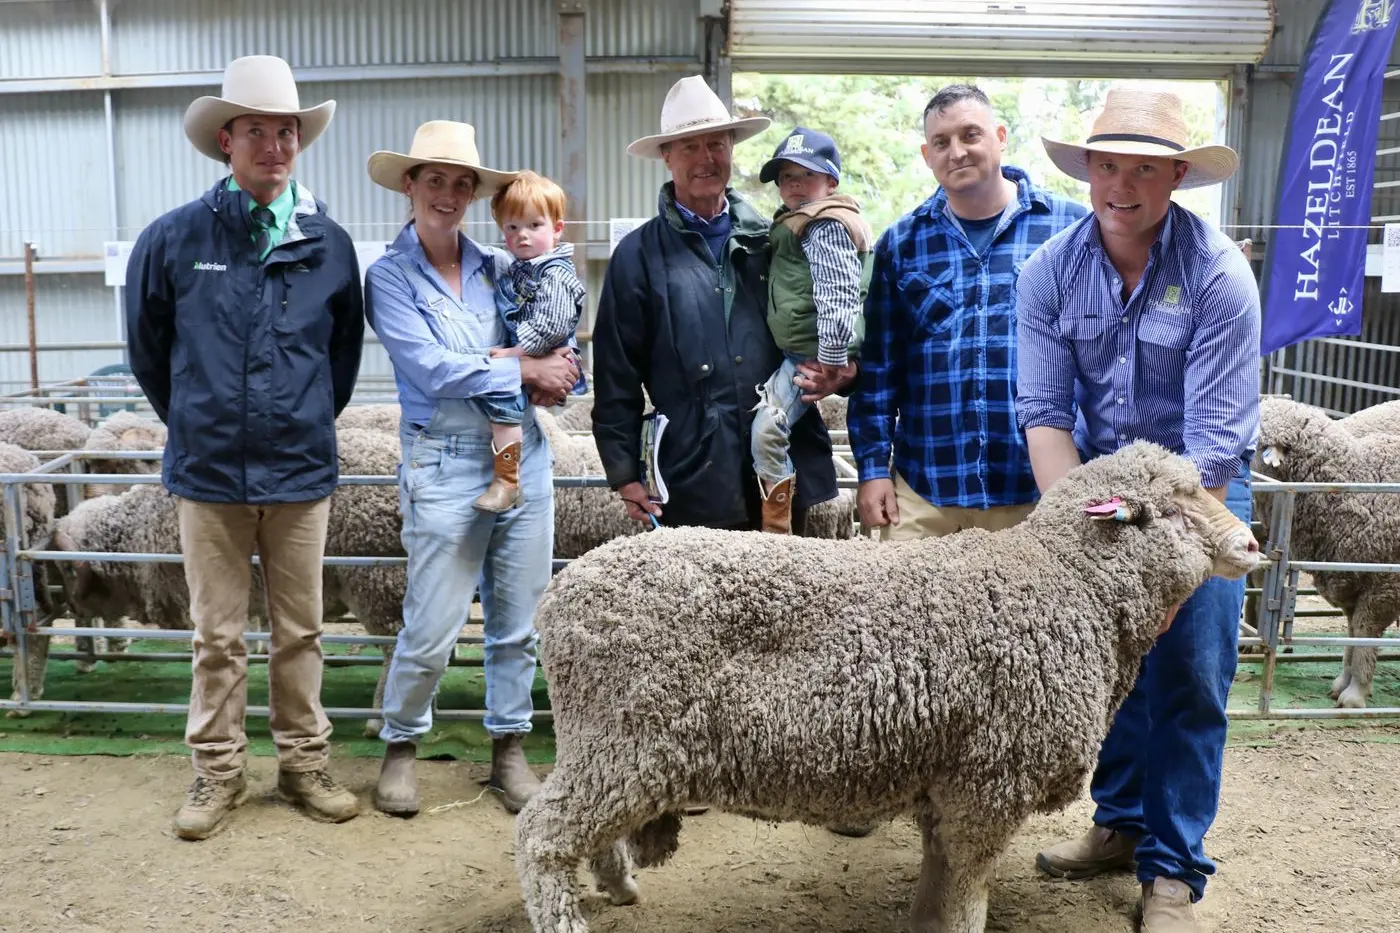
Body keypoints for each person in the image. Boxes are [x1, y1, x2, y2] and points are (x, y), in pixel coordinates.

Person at [1015, 86, 1260, 933]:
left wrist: (1161, 570)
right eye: (1106, 164)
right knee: (1114, 668)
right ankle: (1118, 821)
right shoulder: (1050, 270)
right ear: (1086, 171)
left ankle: (1174, 869)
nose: (1122, 184)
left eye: (1144, 168)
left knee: (1190, 668)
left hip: (1201, 495)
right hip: (1098, 496)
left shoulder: (1218, 275)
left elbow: (1214, 453)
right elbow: (1044, 415)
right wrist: (1091, 539)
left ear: (1177, 175)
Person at [124, 54, 366, 841]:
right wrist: (198, 418)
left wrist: (299, 421)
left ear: (301, 139)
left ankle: (303, 763)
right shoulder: (173, 239)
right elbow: (148, 351)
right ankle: (218, 770)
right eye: (256, 130)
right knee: (216, 634)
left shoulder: (329, 243)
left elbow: (341, 359)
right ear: (225, 140)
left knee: (302, 630)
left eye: (286, 130)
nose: (274, 144)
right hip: (209, 473)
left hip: (300, 473)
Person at [362, 120, 579, 819]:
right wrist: (524, 366)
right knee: (432, 623)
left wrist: (559, 371)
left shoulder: (500, 265)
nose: (449, 194)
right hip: (448, 460)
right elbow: (429, 367)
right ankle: (400, 745)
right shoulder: (390, 277)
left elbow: (555, 338)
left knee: (518, 621)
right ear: (409, 185)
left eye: (462, 183)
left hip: (525, 455)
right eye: (435, 180)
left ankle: (508, 748)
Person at [592, 74, 853, 540]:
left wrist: (848, 367)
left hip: (780, 464)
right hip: (692, 470)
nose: (705, 158)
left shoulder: (778, 237)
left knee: (787, 603)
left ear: (732, 148)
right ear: (666, 156)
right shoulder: (637, 256)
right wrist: (624, 470)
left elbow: (839, 300)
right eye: (688, 146)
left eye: (716, 143)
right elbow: (616, 372)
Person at [848, 83, 1087, 542]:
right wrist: (874, 469)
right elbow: (879, 369)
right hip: (926, 493)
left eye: (970, 135)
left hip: (1038, 490)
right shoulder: (903, 242)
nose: (956, 152)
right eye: (941, 142)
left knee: (1034, 615)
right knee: (906, 614)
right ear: (926, 154)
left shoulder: (1068, 230)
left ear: (1000, 137)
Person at [750, 126, 873, 534]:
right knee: (768, 424)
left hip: (813, 356)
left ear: (831, 181)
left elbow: (838, 292)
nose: (795, 184)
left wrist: (833, 362)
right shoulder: (798, 222)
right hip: (796, 351)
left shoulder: (825, 224)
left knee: (768, 426)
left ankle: (777, 533)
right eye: (786, 177)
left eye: (806, 174)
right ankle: (777, 523)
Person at [471, 170, 587, 514]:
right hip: (536, 356)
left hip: (547, 350)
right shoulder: (519, 268)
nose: (522, 236)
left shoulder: (554, 273)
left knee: (504, 405)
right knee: (505, 401)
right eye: (512, 228)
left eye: (534, 226)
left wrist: (514, 355)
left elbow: (552, 326)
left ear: (557, 228)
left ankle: (507, 482)